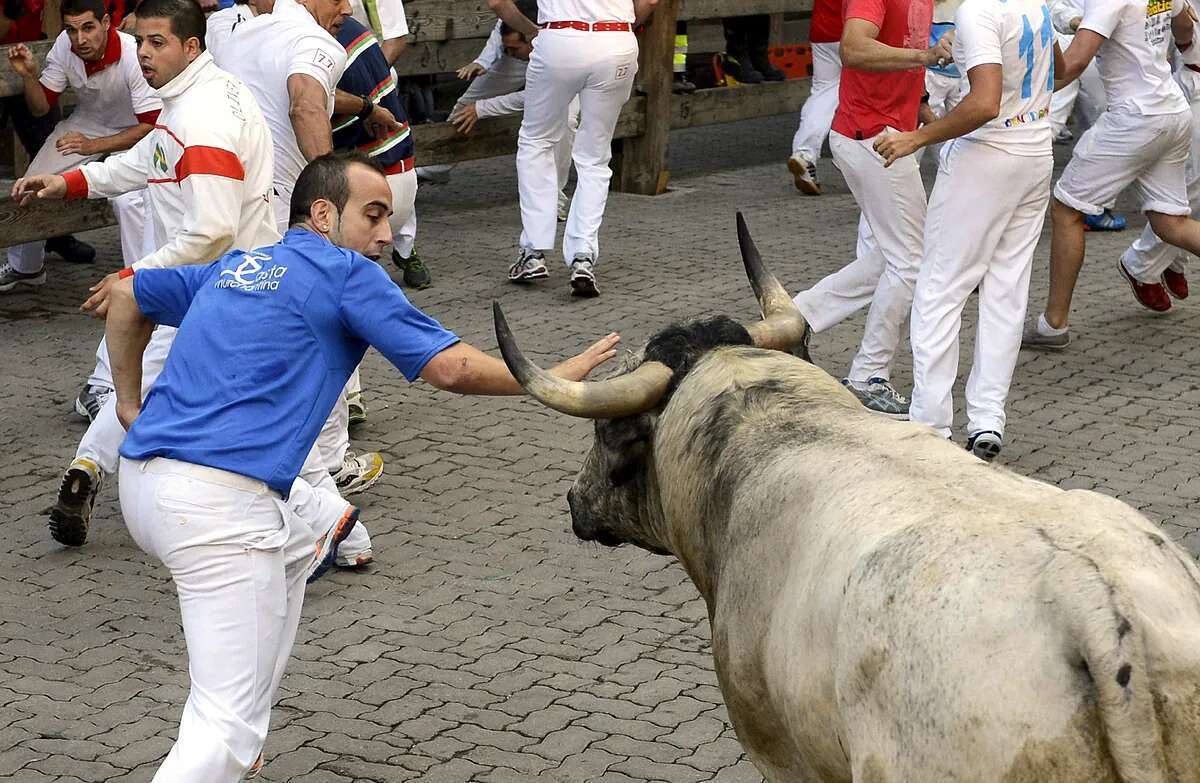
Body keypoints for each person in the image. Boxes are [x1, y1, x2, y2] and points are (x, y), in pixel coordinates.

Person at [100, 151, 618, 782]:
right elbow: (448, 368)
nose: (386, 234)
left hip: (145, 486)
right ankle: (234, 750)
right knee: (221, 726)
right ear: (323, 213)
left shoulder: (238, 264)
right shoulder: (347, 273)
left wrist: (129, 404)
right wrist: (548, 379)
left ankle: (247, 742)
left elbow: (126, 296)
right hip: (217, 511)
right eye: (373, 215)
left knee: (305, 532)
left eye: (390, 219)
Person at [10, 0, 278, 547]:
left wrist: (133, 276)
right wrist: (69, 183)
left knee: (211, 398)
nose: (145, 54)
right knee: (157, 383)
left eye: (158, 43)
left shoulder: (204, 119)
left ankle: (320, 522)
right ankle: (328, 524)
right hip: (205, 287)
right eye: (141, 42)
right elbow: (144, 162)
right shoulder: (184, 103)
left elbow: (212, 231)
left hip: (229, 288)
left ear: (191, 47)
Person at [875, 0, 1060, 462]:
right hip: (1036, 150)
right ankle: (987, 419)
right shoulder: (1033, 3)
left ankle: (930, 425)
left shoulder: (977, 10)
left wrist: (915, 137)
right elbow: (1062, 66)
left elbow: (983, 102)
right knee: (1006, 290)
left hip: (986, 156)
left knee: (940, 291)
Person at [790, 0, 953, 418]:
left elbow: (905, 44)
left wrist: (920, 103)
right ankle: (867, 377)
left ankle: (798, 316)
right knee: (911, 261)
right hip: (871, 139)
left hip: (883, 135)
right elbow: (854, 49)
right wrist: (926, 56)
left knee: (894, 255)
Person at [1024, 0, 1200, 349]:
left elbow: (1073, 64)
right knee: (1170, 222)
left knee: (1067, 209)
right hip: (1172, 109)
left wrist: (1020, 95)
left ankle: (1053, 324)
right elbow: (1184, 27)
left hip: (1134, 117)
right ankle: (1052, 324)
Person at [491, 0, 659, 297]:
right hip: (616, 39)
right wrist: (621, 26)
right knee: (595, 157)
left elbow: (497, 2)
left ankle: (534, 250)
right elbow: (650, 1)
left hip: (560, 39)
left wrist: (532, 30)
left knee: (537, 141)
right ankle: (583, 255)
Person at [3, 0, 159, 295]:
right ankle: (27, 267)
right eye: (71, 30)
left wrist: (94, 147)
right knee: (31, 184)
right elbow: (40, 108)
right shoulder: (65, 45)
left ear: (106, 23)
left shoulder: (131, 53)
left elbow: (150, 125)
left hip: (135, 130)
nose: (80, 39)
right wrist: (28, 76)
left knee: (128, 200)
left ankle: (140, 282)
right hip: (87, 123)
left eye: (88, 27)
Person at [445, 10, 580, 224]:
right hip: (520, 56)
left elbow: (535, 97)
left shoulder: (558, 44)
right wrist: (483, 62)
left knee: (567, 122)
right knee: (465, 106)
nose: (511, 50)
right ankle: (433, 169)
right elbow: (502, 23)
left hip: (564, 66)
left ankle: (553, 201)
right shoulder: (514, 33)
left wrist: (482, 109)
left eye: (514, 47)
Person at [333, 11, 429, 288]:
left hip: (377, 180)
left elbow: (314, 100)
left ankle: (404, 252)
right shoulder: (349, 28)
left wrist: (365, 102)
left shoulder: (319, 38)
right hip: (398, 170)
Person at [1118, 14, 1200, 306]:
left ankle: (1167, 258)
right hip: (1192, 86)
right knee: (1191, 187)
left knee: (1190, 189)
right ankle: (1144, 262)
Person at [787, 0, 842, 195]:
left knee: (823, 93)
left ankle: (804, 154)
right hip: (857, 27)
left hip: (824, 28)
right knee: (866, 94)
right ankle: (851, 158)